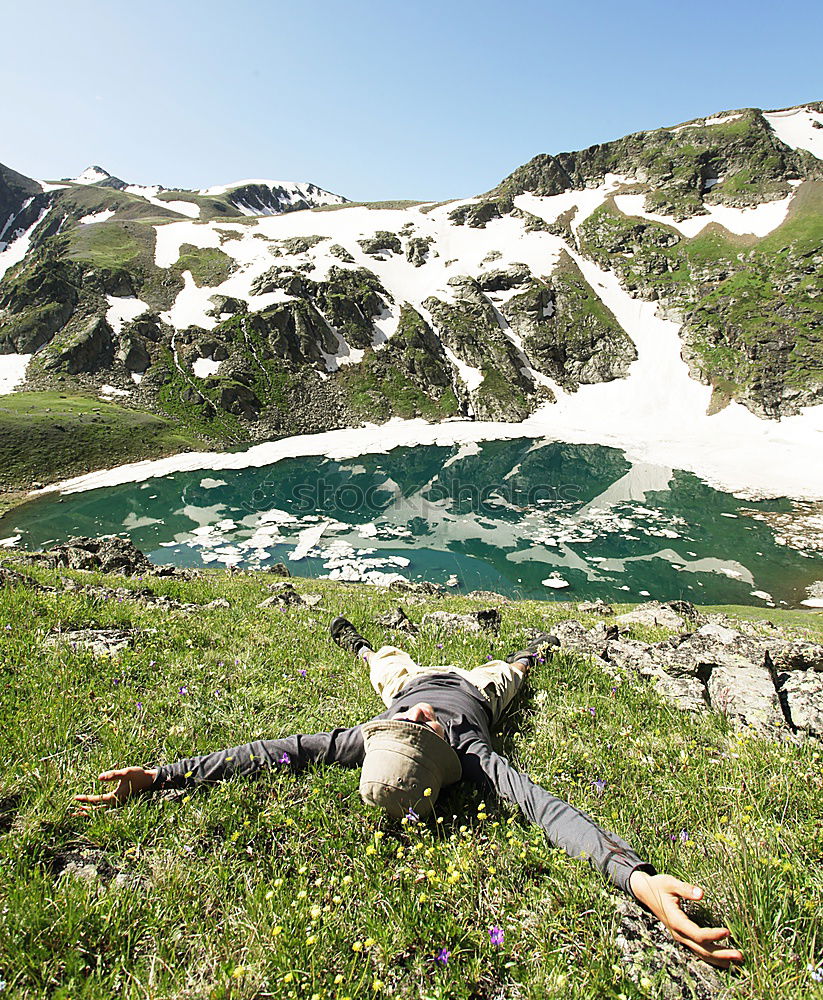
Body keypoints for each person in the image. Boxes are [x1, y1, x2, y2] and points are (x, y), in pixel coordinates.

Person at [75, 616, 744, 969]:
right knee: (510, 674)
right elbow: (546, 811)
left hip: (403, 678)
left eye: (408, 726)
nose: (422, 719)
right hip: (475, 688)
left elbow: (258, 757)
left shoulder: (372, 730)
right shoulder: (473, 752)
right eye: (419, 729)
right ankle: (532, 654)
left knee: (385, 665)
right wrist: (639, 879)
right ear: (443, 754)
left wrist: (164, 776)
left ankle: (360, 645)